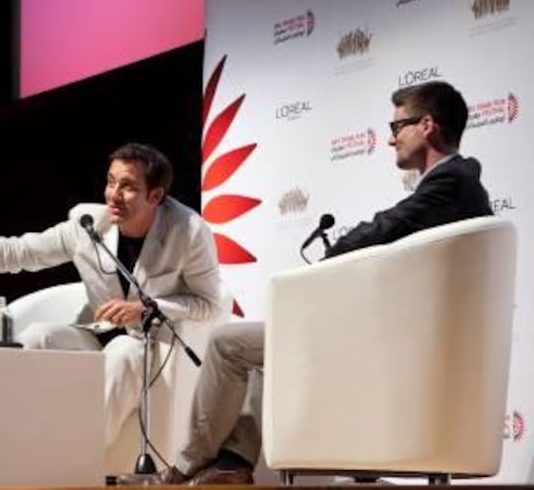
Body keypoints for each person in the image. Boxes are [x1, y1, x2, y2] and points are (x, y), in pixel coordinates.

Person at [123, 80, 493, 485]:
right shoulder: (462, 184)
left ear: (426, 125)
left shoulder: (451, 181)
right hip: (404, 338)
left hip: (397, 344)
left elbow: (386, 226)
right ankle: (232, 465)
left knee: (227, 344)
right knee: (266, 348)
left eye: (395, 128)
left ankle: (182, 470)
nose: (390, 140)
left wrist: (331, 258)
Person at [0, 142, 228, 449]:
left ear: (156, 196)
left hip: (149, 342)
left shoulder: (189, 232)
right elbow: (15, 253)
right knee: (37, 336)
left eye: (128, 187)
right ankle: (10, 440)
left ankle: (79, 460)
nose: (113, 195)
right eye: (110, 182)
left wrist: (147, 309)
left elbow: (210, 303)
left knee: (122, 352)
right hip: (97, 331)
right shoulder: (89, 225)